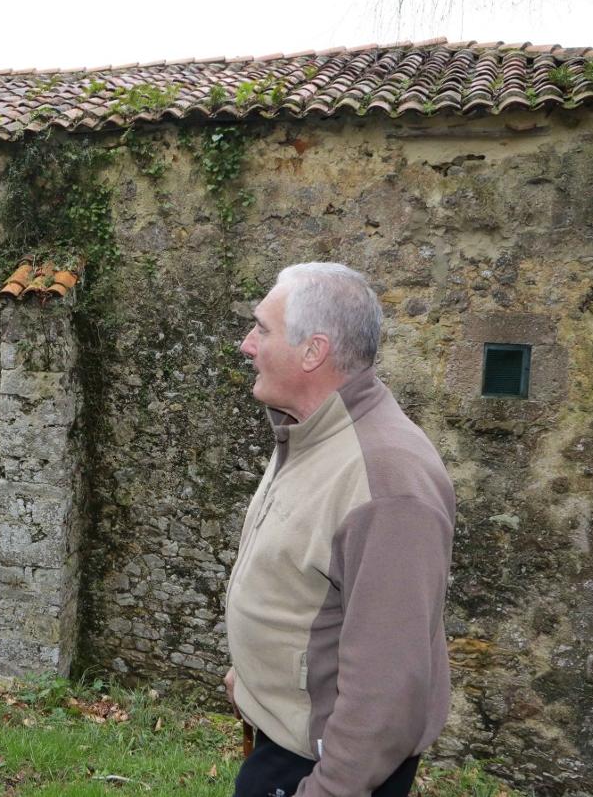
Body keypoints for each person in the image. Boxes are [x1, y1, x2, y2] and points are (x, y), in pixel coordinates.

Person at [223, 263, 456, 797]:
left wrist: (328, 788)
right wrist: (256, 679)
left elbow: (389, 689)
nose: (246, 344)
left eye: (261, 329)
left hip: (319, 769)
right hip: (281, 742)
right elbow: (299, 582)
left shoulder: (388, 483)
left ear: (313, 351)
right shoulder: (310, 434)